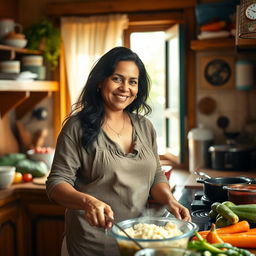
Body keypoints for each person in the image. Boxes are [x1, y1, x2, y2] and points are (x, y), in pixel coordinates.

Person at [46, 46, 191, 256]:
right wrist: (88, 202)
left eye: (132, 81)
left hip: (136, 243)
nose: (125, 87)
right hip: (89, 246)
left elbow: (156, 176)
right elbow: (56, 184)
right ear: (100, 81)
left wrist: (169, 200)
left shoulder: (145, 126)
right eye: (117, 78)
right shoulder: (76, 128)